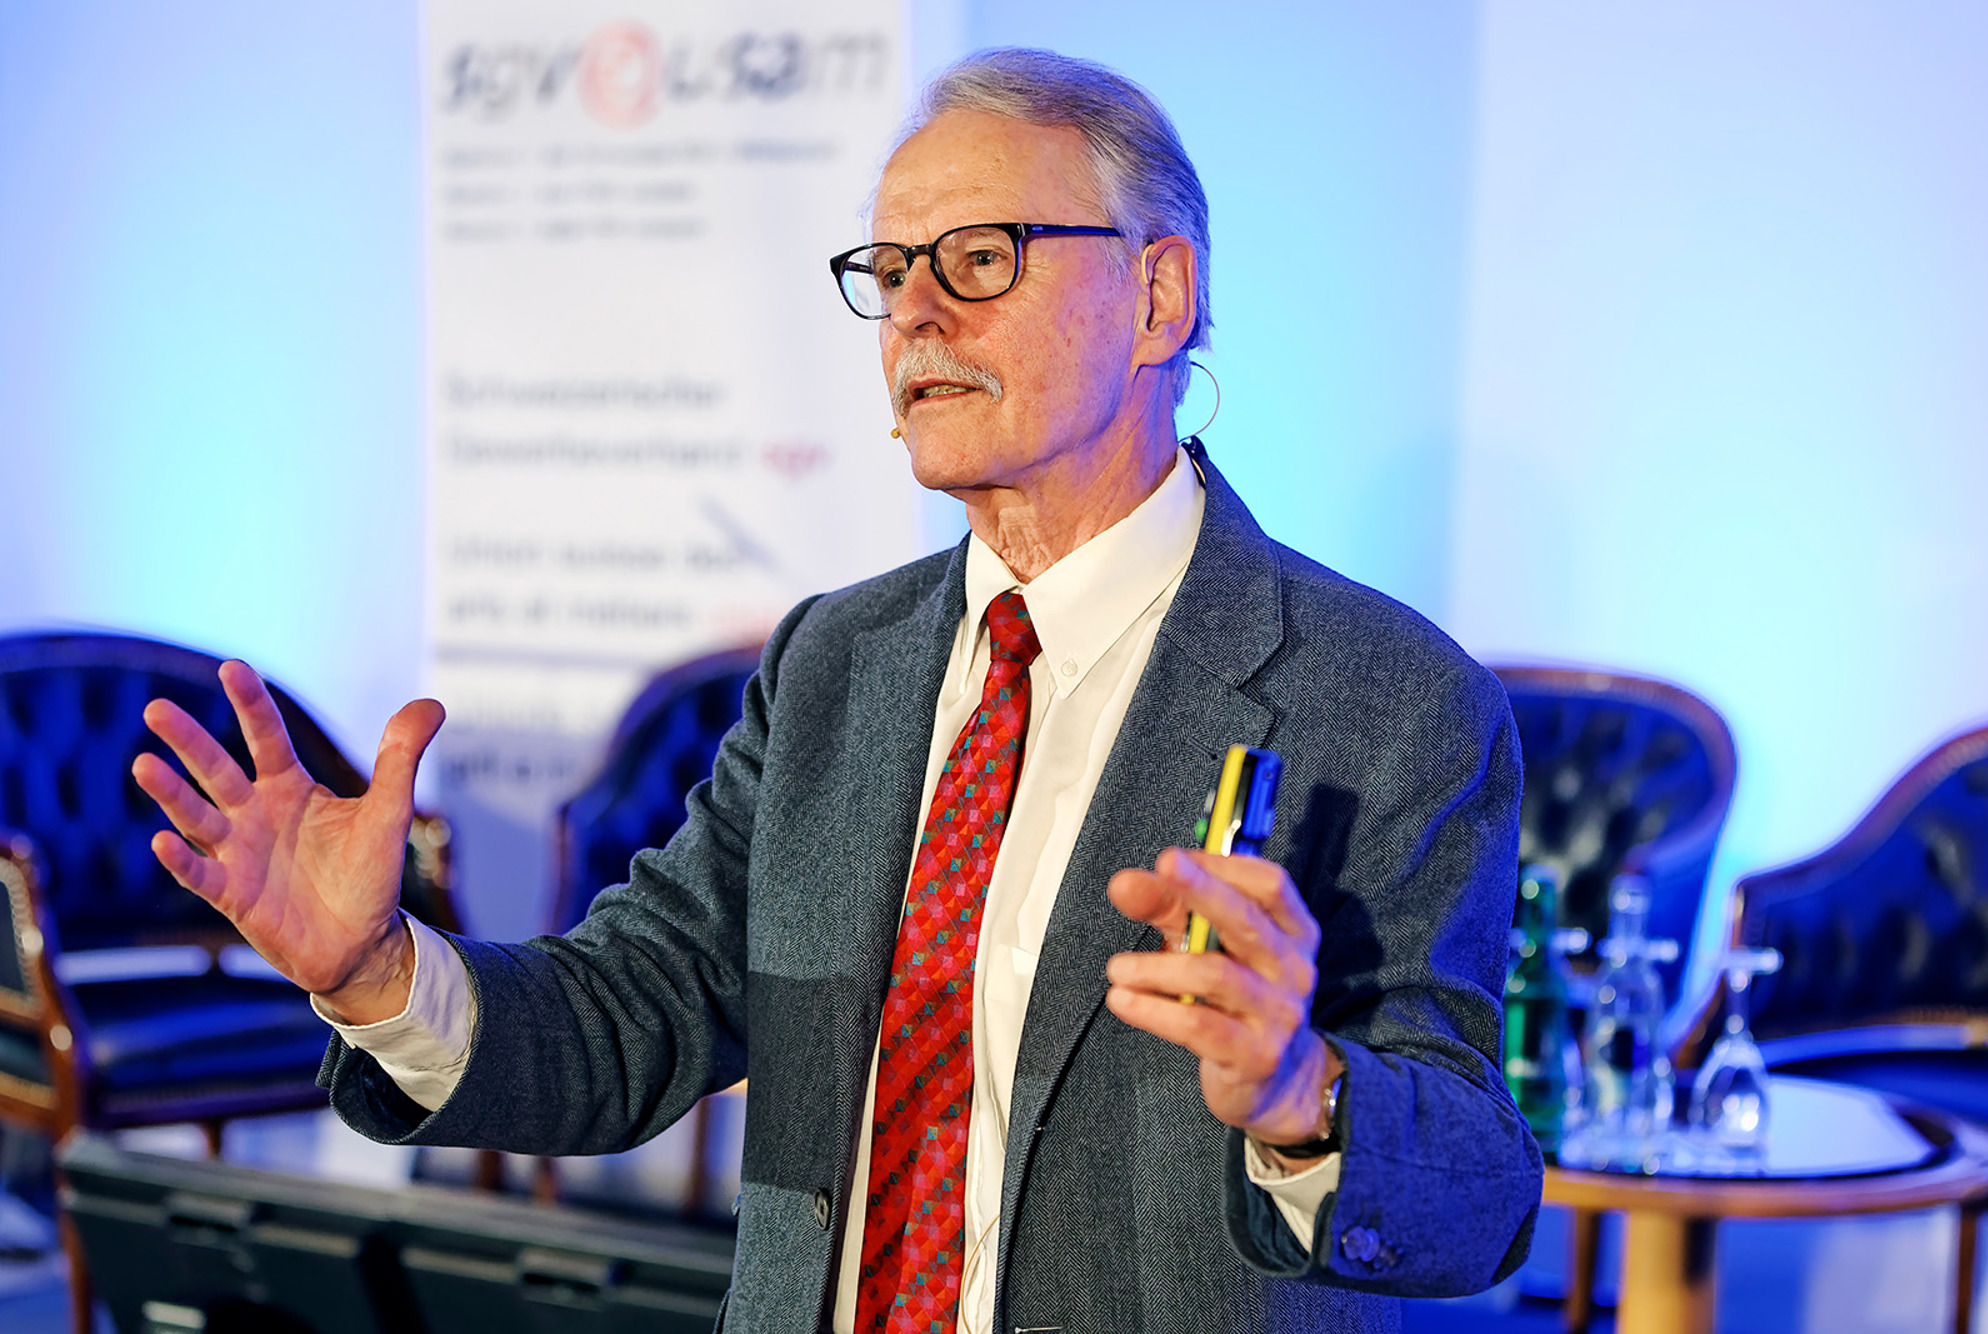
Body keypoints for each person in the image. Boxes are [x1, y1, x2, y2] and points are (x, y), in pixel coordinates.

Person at [135, 48, 1540, 1334]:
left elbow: (1481, 1198)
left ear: (1157, 295)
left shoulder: (1389, 699)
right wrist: (377, 972)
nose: (915, 312)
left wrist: (1302, 1097)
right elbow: (636, 1011)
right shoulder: (833, 663)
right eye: (890, 267)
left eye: (979, 259)